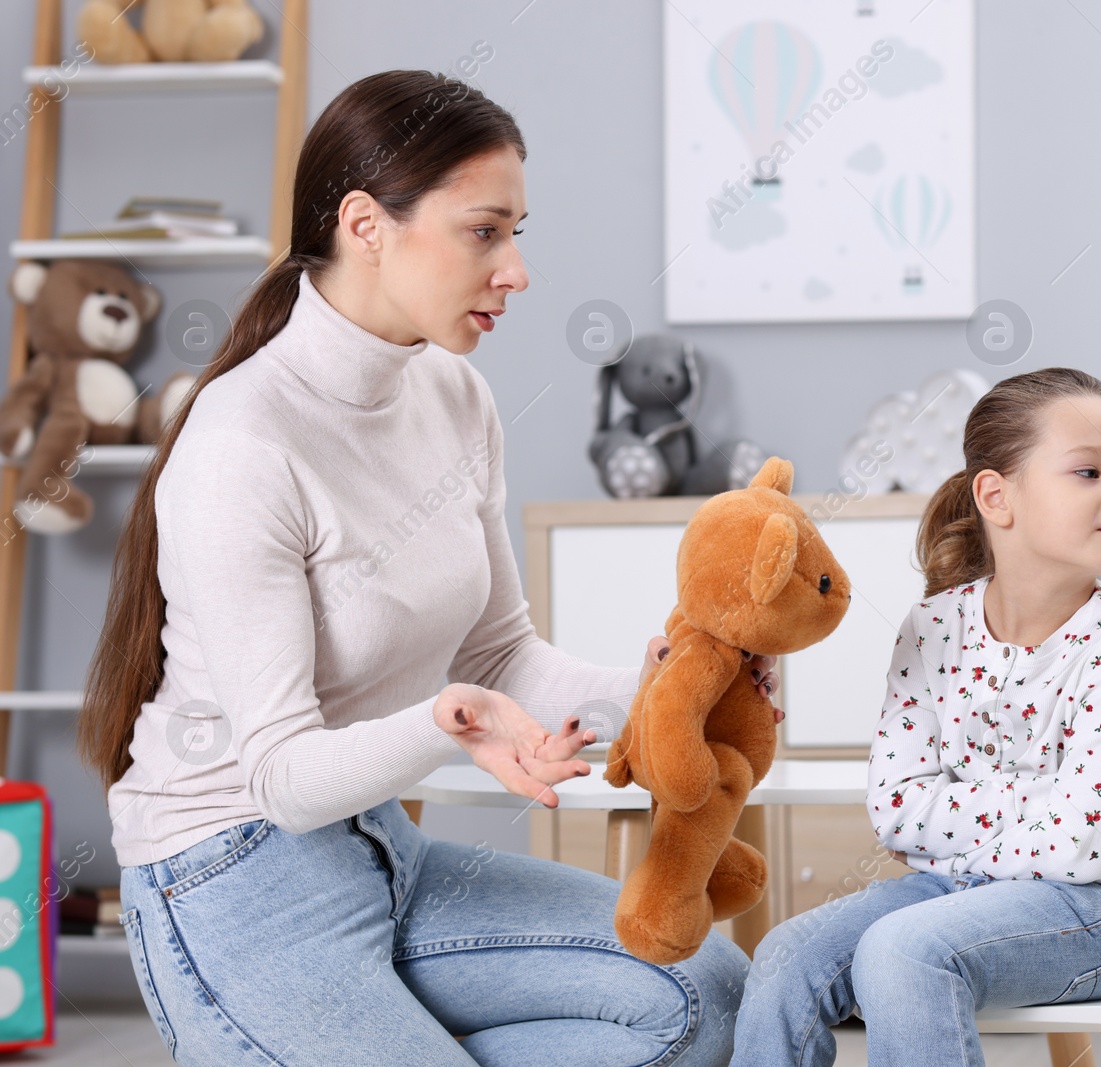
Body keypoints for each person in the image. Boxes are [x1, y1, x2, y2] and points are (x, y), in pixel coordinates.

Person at [76, 69, 767, 1067]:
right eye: (485, 231)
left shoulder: (454, 397)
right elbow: (279, 775)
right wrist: (448, 722)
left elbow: (500, 654)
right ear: (365, 225)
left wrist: (674, 686)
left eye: (517, 232)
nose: (517, 270)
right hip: (230, 875)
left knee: (711, 992)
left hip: (379, 852)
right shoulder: (244, 444)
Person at [730, 368, 1101, 1066]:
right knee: (786, 954)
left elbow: (1085, 851)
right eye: (1090, 471)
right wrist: (1045, 800)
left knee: (904, 949)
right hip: (956, 891)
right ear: (998, 496)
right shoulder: (931, 629)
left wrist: (959, 824)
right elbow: (897, 808)